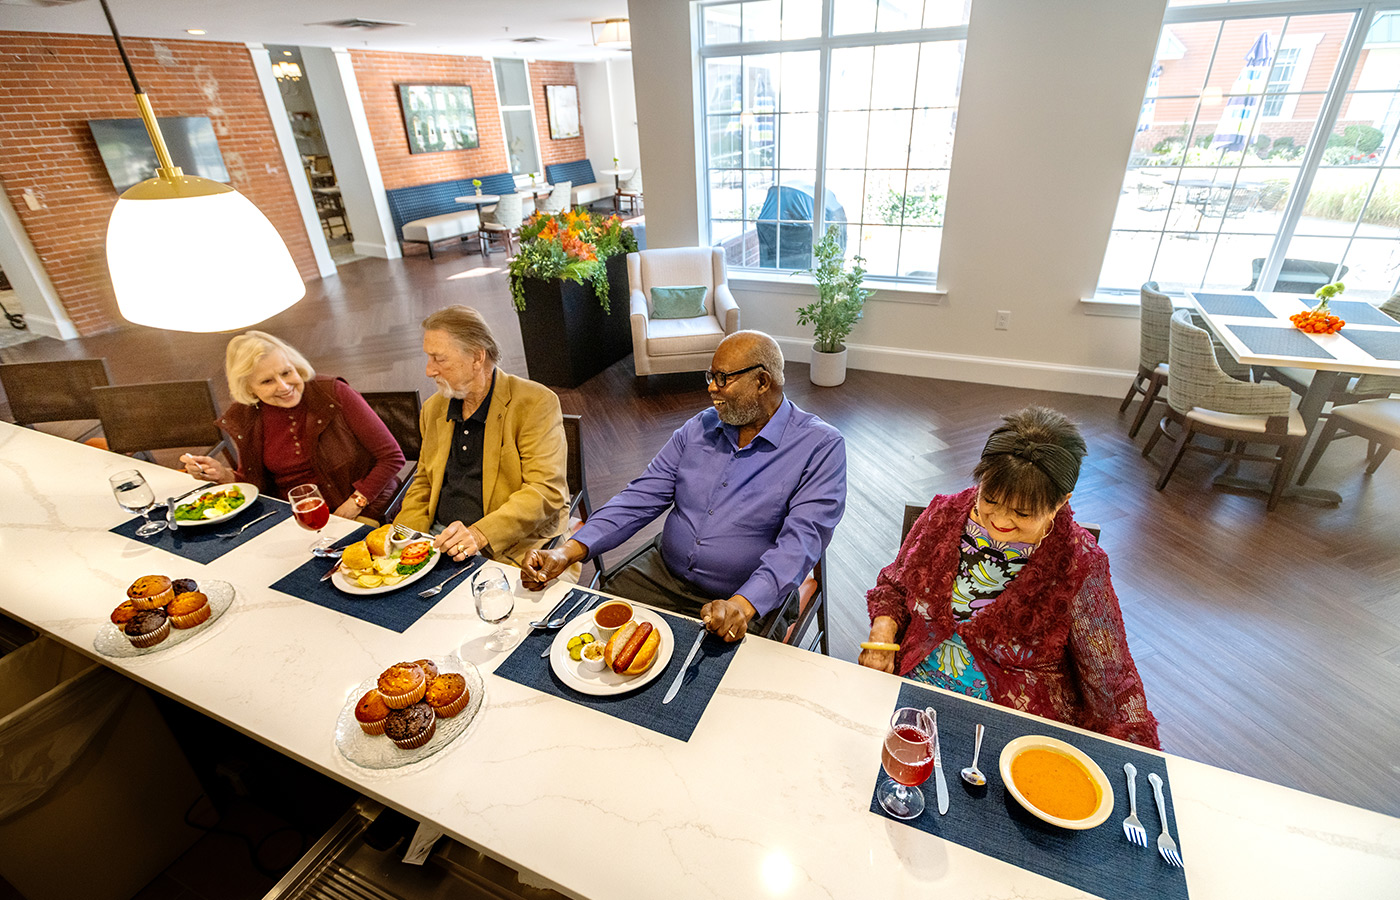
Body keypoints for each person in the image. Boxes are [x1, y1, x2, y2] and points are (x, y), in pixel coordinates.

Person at [859, 407, 1160, 749]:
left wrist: (1133, 751)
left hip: (1012, 724)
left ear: (1061, 502)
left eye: (1023, 513)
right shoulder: (944, 514)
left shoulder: (1079, 562)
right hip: (913, 692)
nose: (1000, 521)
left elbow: (1110, 679)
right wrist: (882, 636)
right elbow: (894, 586)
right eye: (990, 499)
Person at [521, 331, 847, 643]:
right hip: (662, 575)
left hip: (744, 598)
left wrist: (744, 603)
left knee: (711, 691)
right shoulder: (699, 428)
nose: (711, 389)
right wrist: (566, 551)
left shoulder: (819, 447)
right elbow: (639, 497)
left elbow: (800, 545)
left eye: (723, 378)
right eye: (710, 377)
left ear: (762, 381)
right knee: (591, 639)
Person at [394, 305, 569, 569]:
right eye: (428, 358)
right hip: (438, 541)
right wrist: (410, 539)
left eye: (439, 359)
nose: (429, 370)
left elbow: (546, 491)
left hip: (507, 546)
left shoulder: (534, 403)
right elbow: (423, 480)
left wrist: (478, 534)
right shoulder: (434, 408)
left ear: (477, 357)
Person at [182, 331, 405, 522]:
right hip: (295, 517)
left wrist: (355, 504)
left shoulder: (332, 393)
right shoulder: (246, 416)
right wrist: (222, 474)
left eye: (287, 372)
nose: (284, 386)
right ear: (249, 389)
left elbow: (392, 457)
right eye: (267, 381)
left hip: (364, 507)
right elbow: (255, 485)